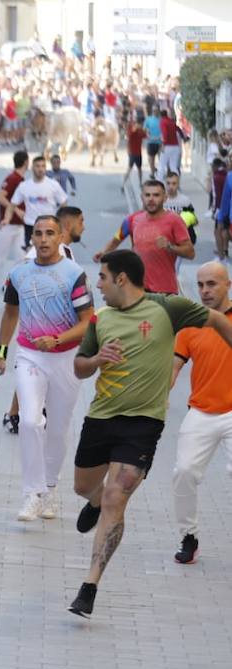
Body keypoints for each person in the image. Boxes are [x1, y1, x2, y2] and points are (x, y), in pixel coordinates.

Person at [67, 251, 232, 618]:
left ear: (122, 278)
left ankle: (89, 586)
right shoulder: (101, 317)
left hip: (143, 424)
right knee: (85, 487)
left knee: (116, 497)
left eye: (103, 277)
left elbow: (217, 318)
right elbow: (79, 367)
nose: (98, 284)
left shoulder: (167, 307)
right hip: (101, 417)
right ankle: (91, 502)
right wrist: (96, 361)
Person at [0, 215, 94, 522]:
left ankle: (49, 488)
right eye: (39, 234)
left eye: (50, 233)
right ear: (31, 238)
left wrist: (59, 338)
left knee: (57, 431)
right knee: (31, 422)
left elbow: (89, 320)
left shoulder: (74, 274)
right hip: (30, 356)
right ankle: (32, 494)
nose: (44, 239)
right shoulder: (20, 272)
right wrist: (0, 354)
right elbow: (10, 314)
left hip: (66, 358)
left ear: (61, 237)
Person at [169, 261, 232, 565]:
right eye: (201, 285)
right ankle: (188, 536)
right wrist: (158, 398)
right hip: (202, 411)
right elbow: (174, 366)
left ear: (228, 285)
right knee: (183, 473)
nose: (205, 291)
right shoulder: (192, 323)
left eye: (212, 284)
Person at [94, 179, 194, 296]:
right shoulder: (132, 220)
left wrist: (170, 247)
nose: (151, 199)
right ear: (142, 197)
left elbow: (190, 253)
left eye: (156, 195)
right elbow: (116, 240)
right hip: (137, 289)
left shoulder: (175, 221)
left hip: (165, 291)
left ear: (165, 198)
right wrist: (104, 253)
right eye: (147, 195)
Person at [0, 150, 29, 308]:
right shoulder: (13, 178)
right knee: (1, 258)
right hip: (8, 225)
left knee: (21, 260)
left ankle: (8, 286)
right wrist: (15, 209)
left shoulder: (21, 179)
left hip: (19, 226)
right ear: (26, 162)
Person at [5, 155, 68, 249]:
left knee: (49, 255)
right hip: (31, 226)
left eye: (43, 166)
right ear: (32, 168)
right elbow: (12, 205)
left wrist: (61, 222)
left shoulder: (53, 185)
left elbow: (64, 203)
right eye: (37, 166)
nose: (40, 169)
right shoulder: (24, 186)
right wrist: (7, 219)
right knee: (30, 255)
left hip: (49, 226)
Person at [162, 171, 197, 245]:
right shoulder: (160, 200)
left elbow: (194, 220)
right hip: (164, 237)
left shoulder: (184, 200)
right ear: (165, 184)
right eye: (168, 183)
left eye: (174, 183)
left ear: (178, 184)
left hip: (181, 238)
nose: (171, 186)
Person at [158, 108, 182, 177]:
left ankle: (159, 181)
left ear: (161, 116)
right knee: (173, 166)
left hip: (167, 146)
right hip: (176, 146)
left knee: (161, 165)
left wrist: (163, 144)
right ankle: (176, 182)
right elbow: (178, 129)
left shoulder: (163, 122)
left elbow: (165, 133)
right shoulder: (171, 121)